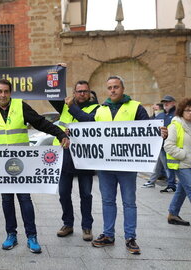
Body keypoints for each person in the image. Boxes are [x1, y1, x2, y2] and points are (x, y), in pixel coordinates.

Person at [0, 79, 69, 253]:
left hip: (21, 164)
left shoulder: (20, 106)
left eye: (6, 92)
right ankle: (11, 235)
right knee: (7, 200)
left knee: (25, 200)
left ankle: (32, 236)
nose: (3, 95)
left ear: (10, 93)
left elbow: (41, 122)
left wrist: (60, 133)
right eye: (0, 91)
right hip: (1, 166)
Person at [70, 75, 149, 255]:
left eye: (116, 87)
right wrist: (73, 127)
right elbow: (87, 123)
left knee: (129, 202)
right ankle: (108, 235)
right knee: (107, 201)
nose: (113, 90)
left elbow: (149, 129)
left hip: (127, 165)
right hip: (105, 166)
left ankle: (130, 237)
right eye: (110, 88)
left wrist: (162, 133)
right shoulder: (101, 109)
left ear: (123, 88)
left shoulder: (136, 107)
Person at [49, 80, 98, 241]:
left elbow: (88, 121)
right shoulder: (64, 105)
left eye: (85, 91)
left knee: (86, 194)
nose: (82, 94)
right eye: (79, 91)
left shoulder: (96, 108)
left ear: (90, 93)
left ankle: (86, 227)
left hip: (85, 158)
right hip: (65, 156)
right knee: (63, 193)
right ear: (74, 92)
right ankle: (68, 224)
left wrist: (72, 106)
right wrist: (58, 72)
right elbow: (51, 92)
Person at [164, 98, 191, 226]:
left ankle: (173, 214)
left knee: (182, 190)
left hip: (189, 163)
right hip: (182, 164)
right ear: (181, 111)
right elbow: (168, 146)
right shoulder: (175, 125)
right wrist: (184, 155)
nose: (190, 113)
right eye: (188, 110)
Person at [158, 95, 178, 193]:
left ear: (173, 103)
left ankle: (174, 184)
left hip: (173, 146)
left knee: (175, 166)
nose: (166, 104)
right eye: (164, 102)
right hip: (161, 146)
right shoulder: (160, 115)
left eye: (168, 102)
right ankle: (171, 184)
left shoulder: (177, 115)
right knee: (167, 166)